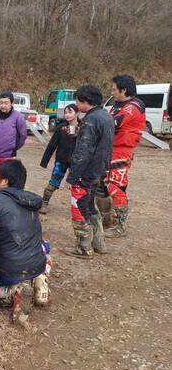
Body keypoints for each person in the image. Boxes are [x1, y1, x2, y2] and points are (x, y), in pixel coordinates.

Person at [0, 159, 51, 329]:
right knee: (45, 246)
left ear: (5, 181)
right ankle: (40, 283)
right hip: (37, 264)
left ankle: (14, 291)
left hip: (10, 269)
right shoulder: (30, 201)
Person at [65, 85, 114, 258]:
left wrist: (72, 177)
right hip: (99, 171)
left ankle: (83, 247)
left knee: (79, 206)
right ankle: (99, 243)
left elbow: (83, 151)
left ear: (86, 101)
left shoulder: (91, 120)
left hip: (86, 173)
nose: (77, 105)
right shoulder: (107, 116)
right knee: (90, 206)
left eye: (78, 101)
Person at [98, 75, 146, 238]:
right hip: (110, 149)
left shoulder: (133, 107)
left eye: (114, 89)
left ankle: (121, 226)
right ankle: (107, 218)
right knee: (102, 184)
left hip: (122, 150)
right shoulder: (118, 105)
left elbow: (112, 122)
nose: (112, 92)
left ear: (123, 90)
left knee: (115, 186)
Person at [39, 103, 79, 213]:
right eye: (65, 112)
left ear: (77, 113)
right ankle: (44, 203)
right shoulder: (60, 128)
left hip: (76, 162)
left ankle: (79, 207)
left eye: (70, 112)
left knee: (78, 185)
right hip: (61, 160)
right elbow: (52, 145)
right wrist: (44, 161)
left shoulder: (84, 128)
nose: (67, 115)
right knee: (53, 182)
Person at [0, 91, 27, 178]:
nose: (3, 105)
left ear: (12, 103)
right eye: (1, 103)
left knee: (7, 180)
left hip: (9, 156)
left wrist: (14, 147)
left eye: (6, 103)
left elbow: (23, 136)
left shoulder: (18, 117)